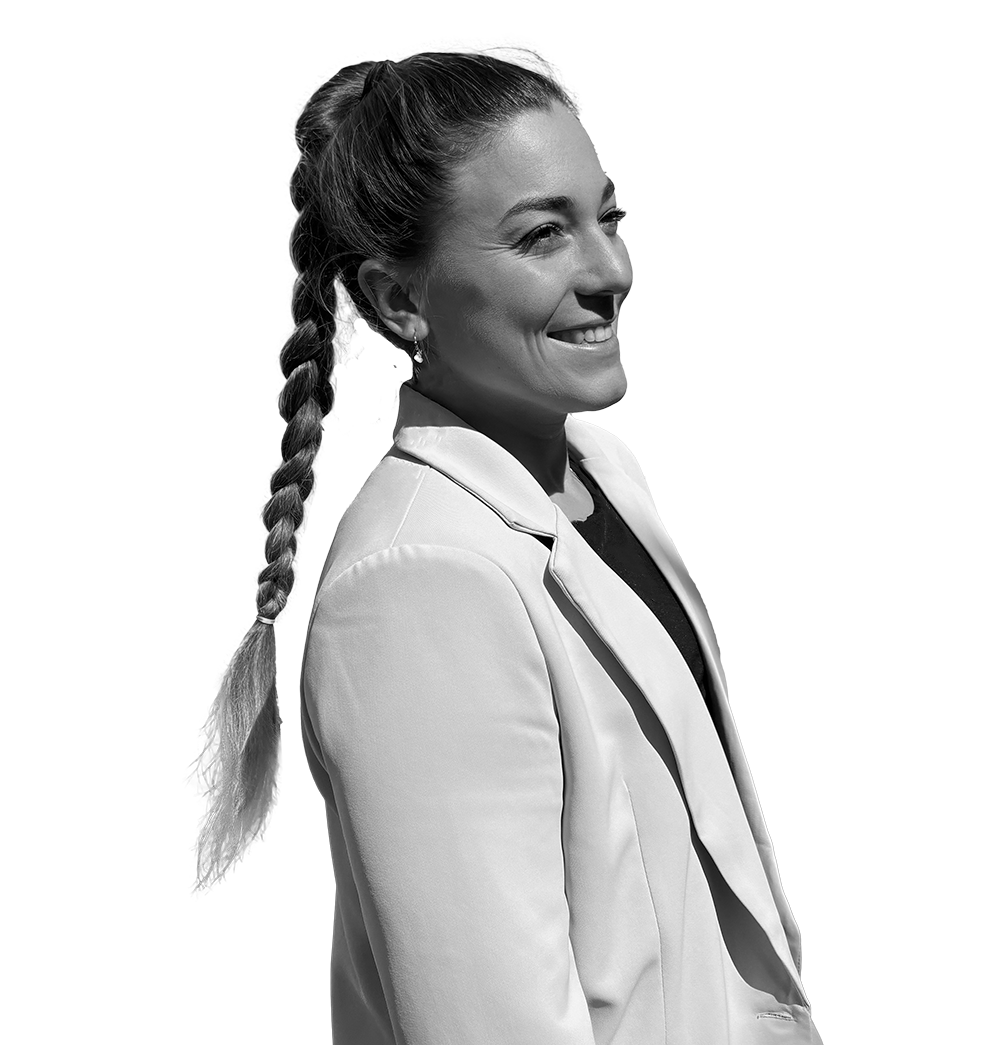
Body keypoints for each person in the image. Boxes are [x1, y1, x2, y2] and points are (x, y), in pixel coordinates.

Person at [194, 40, 822, 1044]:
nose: (611, 271)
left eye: (608, 217)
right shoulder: (421, 581)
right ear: (399, 301)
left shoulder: (598, 472)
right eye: (542, 236)